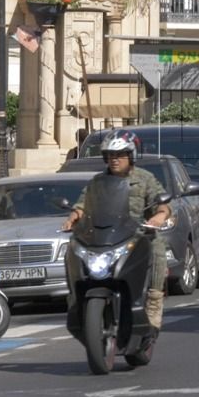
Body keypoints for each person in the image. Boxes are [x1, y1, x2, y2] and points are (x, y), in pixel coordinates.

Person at [60, 135, 171, 341]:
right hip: (106, 238)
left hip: (138, 236)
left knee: (156, 250)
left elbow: (161, 203)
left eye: (120, 155)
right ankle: (75, 300)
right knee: (73, 250)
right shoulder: (98, 182)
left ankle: (153, 305)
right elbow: (83, 205)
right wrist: (73, 218)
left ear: (131, 156)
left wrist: (160, 215)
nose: (114, 160)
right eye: (110, 155)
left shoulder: (145, 178)